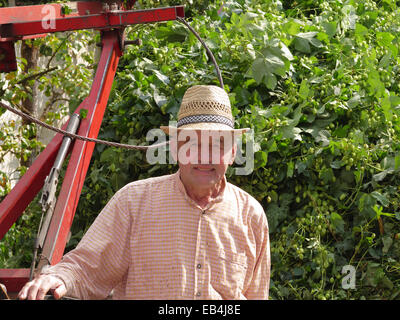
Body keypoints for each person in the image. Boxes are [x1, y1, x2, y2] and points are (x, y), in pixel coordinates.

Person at [18, 85, 270, 300]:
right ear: (174, 148)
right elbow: (87, 267)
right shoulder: (134, 202)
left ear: (234, 152)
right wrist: (57, 277)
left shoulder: (251, 215)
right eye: (193, 143)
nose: (204, 156)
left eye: (216, 144)